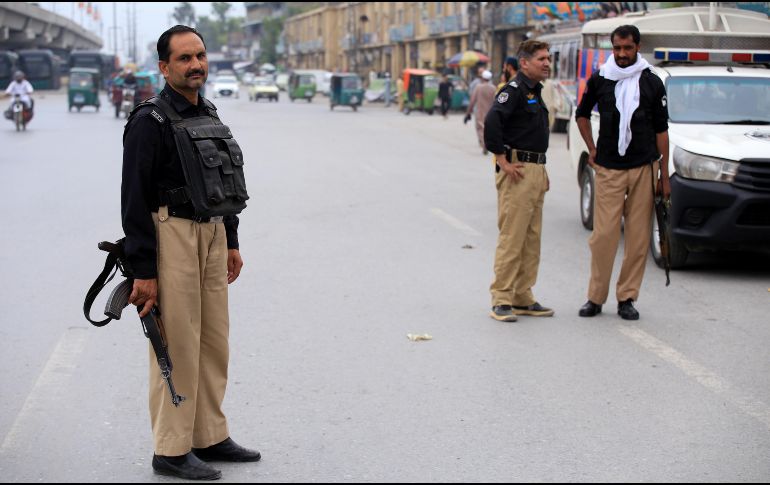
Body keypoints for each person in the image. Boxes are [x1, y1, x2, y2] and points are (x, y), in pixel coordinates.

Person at [121, 25, 259, 480]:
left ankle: (210, 434)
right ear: (164, 67)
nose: (195, 64)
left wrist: (232, 239)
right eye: (183, 58)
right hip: (173, 235)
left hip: (213, 233)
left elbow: (223, 183)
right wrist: (144, 269)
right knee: (176, 343)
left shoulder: (210, 111)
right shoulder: (149, 120)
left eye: (199, 55)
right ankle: (171, 449)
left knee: (213, 340)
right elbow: (134, 199)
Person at [575, 25, 670, 321]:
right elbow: (581, 114)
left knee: (639, 238)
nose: (622, 54)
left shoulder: (652, 82)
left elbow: (662, 132)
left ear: (637, 47)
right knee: (603, 236)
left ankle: (627, 297)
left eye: (627, 48)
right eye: (617, 48)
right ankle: (595, 297)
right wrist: (591, 147)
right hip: (608, 168)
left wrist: (663, 176)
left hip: (644, 167)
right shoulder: (600, 78)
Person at [483, 40, 554, 322]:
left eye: (548, 58)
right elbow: (492, 123)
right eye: (541, 59)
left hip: (535, 170)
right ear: (524, 63)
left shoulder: (534, 91)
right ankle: (501, 297)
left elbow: (533, 134)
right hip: (517, 170)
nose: (547, 63)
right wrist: (502, 160)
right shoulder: (512, 91)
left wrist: (542, 170)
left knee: (531, 239)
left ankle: (522, 296)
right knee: (513, 237)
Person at [465, 70, 496, 154]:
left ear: (482, 78)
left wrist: (468, 113)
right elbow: (495, 102)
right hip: (490, 113)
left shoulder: (478, 87)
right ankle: (487, 143)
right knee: (488, 129)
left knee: (480, 129)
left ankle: (484, 143)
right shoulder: (493, 88)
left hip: (480, 113)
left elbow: (472, 101)